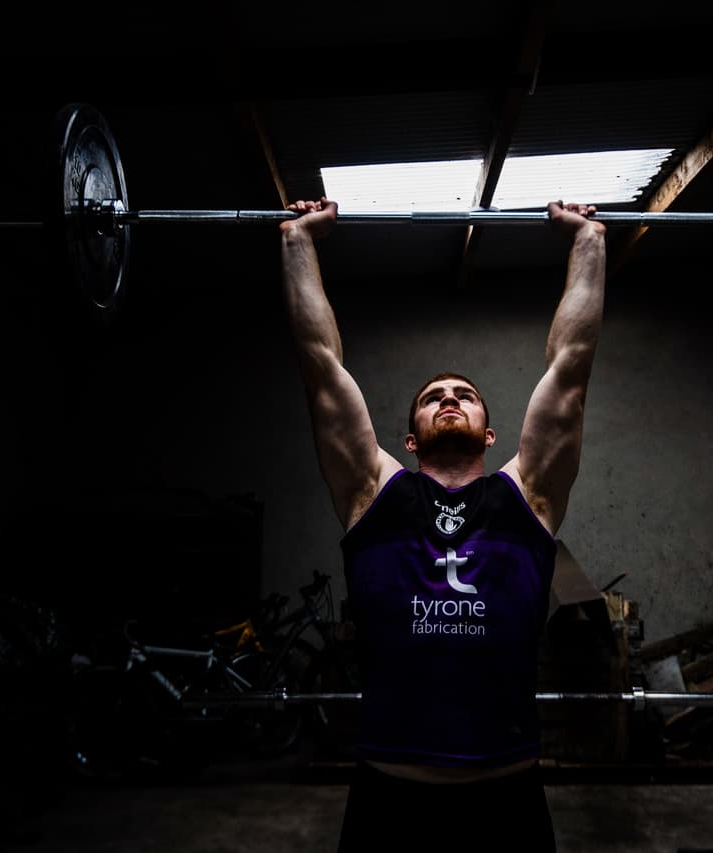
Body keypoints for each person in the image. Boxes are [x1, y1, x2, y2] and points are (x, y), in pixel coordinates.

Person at [280, 197, 606, 852]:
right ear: (409, 437)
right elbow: (320, 364)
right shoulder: (373, 494)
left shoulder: (528, 496)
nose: (448, 398)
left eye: (463, 395)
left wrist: (589, 240)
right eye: (433, 397)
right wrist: (296, 241)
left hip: (507, 792)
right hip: (388, 791)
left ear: (490, 431)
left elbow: (570, 367)